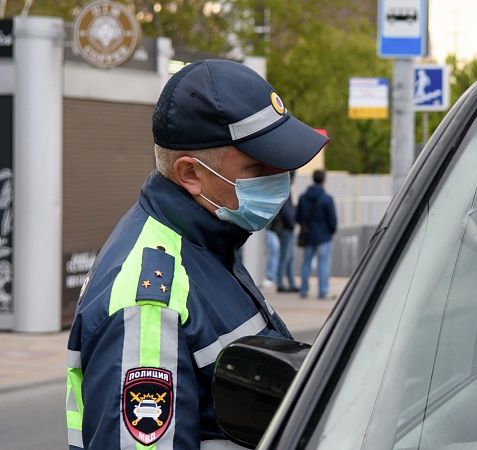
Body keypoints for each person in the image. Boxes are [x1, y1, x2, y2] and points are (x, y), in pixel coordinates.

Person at [65, 59, 329, 450]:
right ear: (190, 174)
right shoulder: (150, 305)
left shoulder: (208, 242)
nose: (281, 181)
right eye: (259, 168)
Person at [296, 169, 337, 299]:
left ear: (313, 179)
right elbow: (332, 220)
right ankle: (323, 291)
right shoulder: (327, 199)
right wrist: (331, 231)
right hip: (324, 236)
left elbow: (298, 217)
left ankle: (303, 290)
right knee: (323, 264)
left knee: (306, 263)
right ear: (324, 180)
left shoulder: (303, 197)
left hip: (308, 236)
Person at [276, 171, 299, 292]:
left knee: (289, 257)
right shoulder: (286, 190)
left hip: (286, 227)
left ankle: (291, 283)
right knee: (285, 256)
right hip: (286, 228)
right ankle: (280, 282)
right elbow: (286, 211)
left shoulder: (285, 189)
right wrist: (292, 224)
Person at [263, 212, 281, 289]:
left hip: (272, 229)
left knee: (273, 254)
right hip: (271, 229)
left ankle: (272, 276)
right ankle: (270, 276)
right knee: (273, 254)